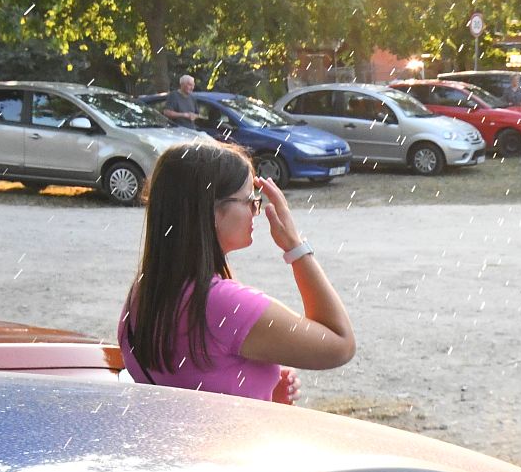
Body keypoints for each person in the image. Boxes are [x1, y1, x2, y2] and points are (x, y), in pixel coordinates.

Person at [119, 138, 356, 402]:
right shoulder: (224, 305)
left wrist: (262, 391)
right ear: (211, 212)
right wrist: (296, 246)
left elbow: (194, 387)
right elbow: (340, 344)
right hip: (229, 441)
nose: (256, 210)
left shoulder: (143, 295)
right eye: (249, 200)